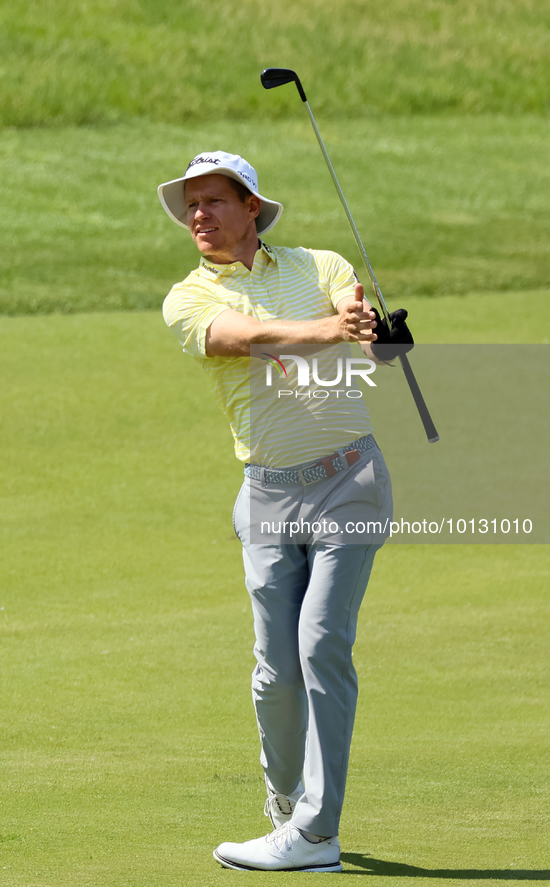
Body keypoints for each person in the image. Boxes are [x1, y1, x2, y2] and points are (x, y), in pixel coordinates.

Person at [158, 151, 412, 873]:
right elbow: (238, 339)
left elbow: (359, 328)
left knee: (321, 644)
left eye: (211, 201)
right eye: (189, 206)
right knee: (275, 668)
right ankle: (285, 801)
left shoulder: (319, 264)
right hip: (267, 493)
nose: (197, 216)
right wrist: (329, 334)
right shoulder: (189, 297)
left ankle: (314, 832)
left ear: (250, 206)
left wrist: (370, 330)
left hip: (349, 480)